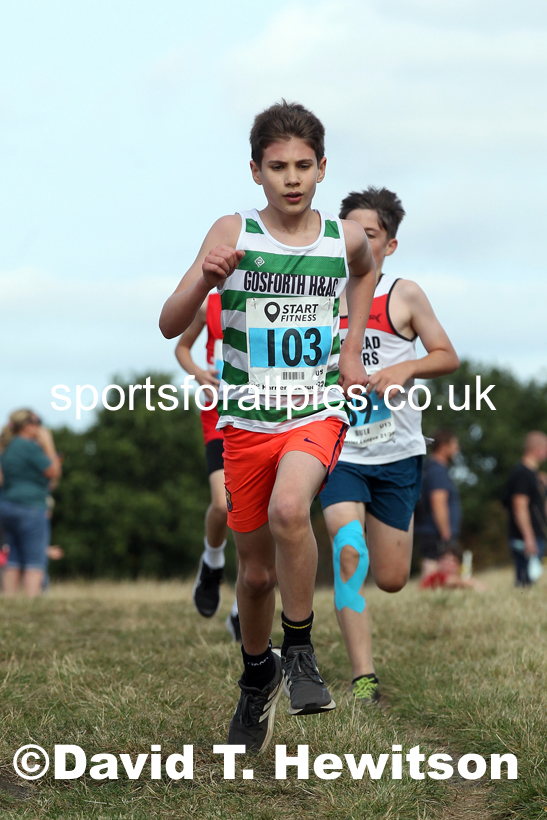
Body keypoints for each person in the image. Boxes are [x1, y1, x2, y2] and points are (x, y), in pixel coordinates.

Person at [160, 100, 376, 752]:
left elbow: (363, 270)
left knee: (291, 510)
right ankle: (258, 676)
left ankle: (302, 652)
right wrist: (205, 278)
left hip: (314, 409)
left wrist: (348, 350)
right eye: (277, 166)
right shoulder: (232, 230)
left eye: (303, 166)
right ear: (255, 171)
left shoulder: (344, 238)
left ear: (322, 168)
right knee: (253, 577)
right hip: (246, 420)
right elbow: (172, 325)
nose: (291, 178)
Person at [320, 188, 459, 705]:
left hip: (397, 454)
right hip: (337, 449)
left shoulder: (404, 294)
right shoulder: (319, 293)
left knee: (393, 577)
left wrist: (408, 366)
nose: (358, 241)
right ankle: (363, 676)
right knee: (348, 550)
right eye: (351, 232)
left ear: (390, 244)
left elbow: (447, 354)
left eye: (370, 234)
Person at [175, 292, 241, 641]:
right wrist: (199, 373)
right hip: (218, 411)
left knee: (262, 516)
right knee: (222, 503)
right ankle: (212, 561)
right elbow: (181, 348)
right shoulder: (208, 304)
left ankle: (241, 610)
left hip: (263, 410)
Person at [0, 409, 62, 596]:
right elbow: (53, 472)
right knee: (35, 558)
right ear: (26, 425)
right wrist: (49, 445)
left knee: (15, 557)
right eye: (37, 422)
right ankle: (32, 604)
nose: (40, 426)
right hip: (31, 506)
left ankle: (8, 602)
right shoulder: (30, 447)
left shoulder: (7, 446)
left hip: (7, 506)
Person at [415, 429, 462, 577]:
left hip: (430, 531)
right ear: (444, 446)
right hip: (436, 533)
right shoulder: (438, 470)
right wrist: (446, 535)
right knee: (433, 572)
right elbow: (438, 503)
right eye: (454, 445)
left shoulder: (429, 468)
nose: (457, 449)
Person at [504, 431, 547, 586]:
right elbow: (519, 506)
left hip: (535, 534)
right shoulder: (522, 473)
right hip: (526, 537)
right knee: (524, 581)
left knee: (530, 580)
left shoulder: (534, 474)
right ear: (536, 448)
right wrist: (529, 537)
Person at [420, 542, 486, 591]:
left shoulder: (461, 576)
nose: (448, 564)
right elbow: (450, 581)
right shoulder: (435, 576)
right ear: (439, 561)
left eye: (453, 561)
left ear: (459, 564)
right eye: (445, 559)